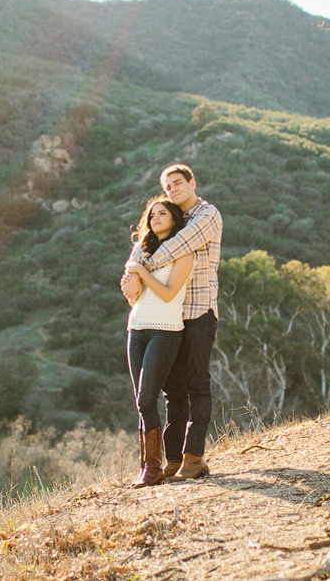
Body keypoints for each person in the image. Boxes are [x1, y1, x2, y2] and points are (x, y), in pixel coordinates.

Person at [121, 163, 221, 481]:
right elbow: (140, 255)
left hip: (198, 312)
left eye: (178, 184)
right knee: (172, 393)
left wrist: (140, 266)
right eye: (168, 187)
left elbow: (175, 248)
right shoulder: (171, 222)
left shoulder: (206, 216)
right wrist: (132, 270)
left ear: (193, 183)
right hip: (170, 319)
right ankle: (173, 460)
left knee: (197, 386)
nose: (173, 190)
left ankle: (193, 459)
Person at [123, 197, 194, 488]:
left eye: (162, 213)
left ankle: (152, 468)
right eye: (152, 215)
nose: (156, 218)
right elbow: (130, 293)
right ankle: (148, 466)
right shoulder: (142, 249)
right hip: (136, 329)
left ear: (175, 219)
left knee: (146, 397)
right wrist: (133, 280)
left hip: (165, 330)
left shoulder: (183, 253)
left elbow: (167, 294)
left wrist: (140, 273)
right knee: (142, 401)